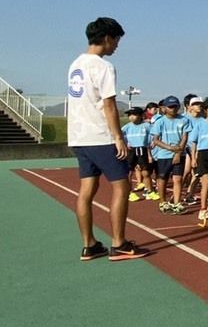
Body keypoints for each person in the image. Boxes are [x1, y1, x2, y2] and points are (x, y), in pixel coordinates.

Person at [66, 17, 146, 261]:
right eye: (117, 40)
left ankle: (89, 244)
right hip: (100, 136)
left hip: (79, 137)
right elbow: (109, 105)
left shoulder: (75, 64)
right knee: (122, 186)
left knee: (86, 189)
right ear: (108, 38)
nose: (117, 46)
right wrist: (118, 137)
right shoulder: (102, 67)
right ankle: (119, 243)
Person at [149, 95, 191, 212]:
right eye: (170, 107)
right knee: (162, 178)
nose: (173, 109)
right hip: (164, 155)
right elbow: (156, 140)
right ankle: (162, 201)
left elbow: (184, 137)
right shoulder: (160, 122)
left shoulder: (184, 120)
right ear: (164, 108)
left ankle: (177, 203)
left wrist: (178, 152)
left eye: (175, 106)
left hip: (179, 154)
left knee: (177, 179)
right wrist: (171, 148)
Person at [121, 107, 155, 201]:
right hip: (131, 151)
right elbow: (119, 135)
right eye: (129, 115)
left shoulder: (147, 125)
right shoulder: (127, 126)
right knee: (129, 172)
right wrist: (125, 143)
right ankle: (129, 193)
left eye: (134, 114)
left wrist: (152, 143)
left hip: (142, 150)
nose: (131, 117)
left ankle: (150, 191)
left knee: (146, 172)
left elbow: (154, 134)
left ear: (141, 116)